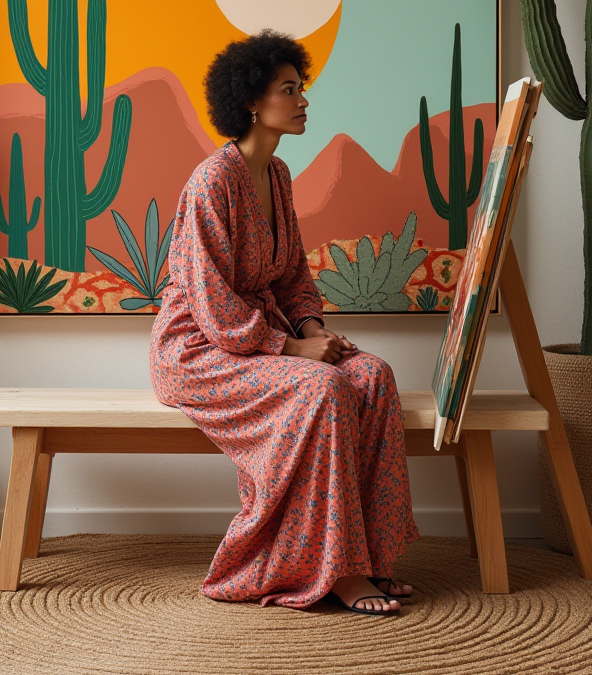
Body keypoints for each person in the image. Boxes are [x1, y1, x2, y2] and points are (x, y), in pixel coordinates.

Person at [149, 30, 419, 615]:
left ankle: (368, 557)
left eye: (303, 89)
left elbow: (292, 271)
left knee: (373, 376)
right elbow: (212, 302)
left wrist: (312, 328)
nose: (302, 101)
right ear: (251, 101)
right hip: (201, 349)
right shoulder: (211, 182)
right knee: (321, 387)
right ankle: (335, 570)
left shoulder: (277, 176)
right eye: (288, 90)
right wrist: (291, 350)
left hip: (265, 337)